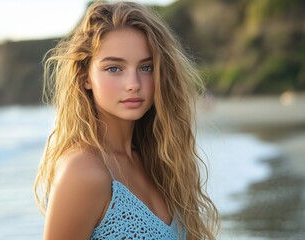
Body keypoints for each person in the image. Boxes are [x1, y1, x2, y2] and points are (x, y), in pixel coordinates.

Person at [34, 1, 219, 239]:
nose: (133, 84)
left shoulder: (158, 160)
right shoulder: (83, 171)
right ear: (85, 76)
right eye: (114, 68)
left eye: (146, 68)